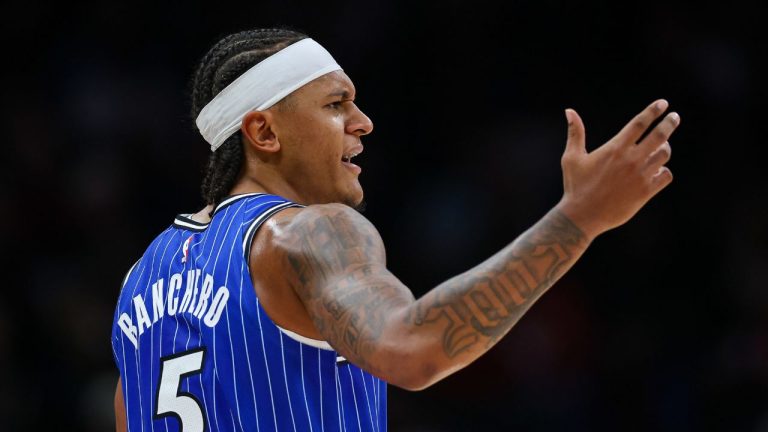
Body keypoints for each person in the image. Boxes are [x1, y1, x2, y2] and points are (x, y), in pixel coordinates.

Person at [111, 28, 679, 432]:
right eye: (337, 105)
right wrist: (578, 220)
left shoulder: (142, 277)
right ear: (263, 131)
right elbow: (412, 350)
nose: (363, 122)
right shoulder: (309, 232)